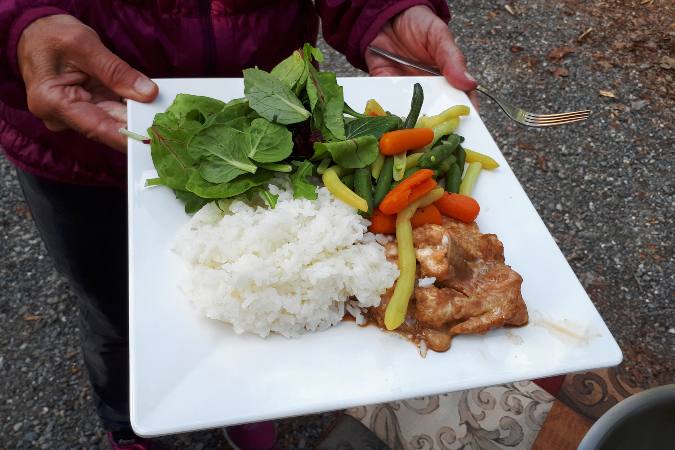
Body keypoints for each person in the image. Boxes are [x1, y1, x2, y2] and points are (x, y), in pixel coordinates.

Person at [1, 1, 476, 449]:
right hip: (81, 138)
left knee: (252, 306)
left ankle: (240, 399)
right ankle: (124, 416)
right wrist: (20, 24)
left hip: (266, 124)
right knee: (112, 310)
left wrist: (378, 9)